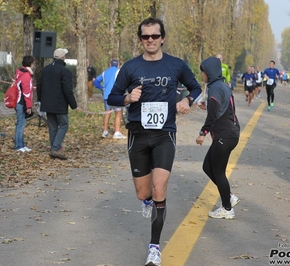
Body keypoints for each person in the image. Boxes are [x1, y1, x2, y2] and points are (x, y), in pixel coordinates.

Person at [107, 17, 202, 266]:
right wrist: (128, 98)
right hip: (137, 134)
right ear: (140, 39)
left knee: (160, 189)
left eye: (155, 36)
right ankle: (147, 200)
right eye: (145, 37)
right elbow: (112, 97)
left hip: (164, 134)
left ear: (162, 38)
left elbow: (196, 88)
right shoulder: (130, 68)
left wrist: (186, 101)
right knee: (143, 193)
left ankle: (154, 247)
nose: (150, 40)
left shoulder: (175, 65)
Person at [195, 56, 240, 220]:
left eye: (203, 72)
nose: (202, 75)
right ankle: (229, 197)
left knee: (218, 172)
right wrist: (206, 106)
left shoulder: (214, 87)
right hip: (229, 134)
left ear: (209, 72)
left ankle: (227, 208)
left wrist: (202, 133)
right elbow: (219, 108)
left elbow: (213, 115)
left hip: (224, 136)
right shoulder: (221, 85)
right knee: (208, 167)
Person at [36, 48, 79, 160]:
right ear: (63, 57)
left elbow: (39, 85)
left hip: (47, 104)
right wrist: (73, 104)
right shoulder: (65, 71)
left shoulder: (45, 70)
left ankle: (54, 149)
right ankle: (55, 147)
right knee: (64, 125)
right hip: (60, 104)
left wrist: (40, 100)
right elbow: (67, 90)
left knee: (53, 126)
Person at [94, 59, 127, 139]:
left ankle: (105, 132)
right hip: (115, 95)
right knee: (118, 113)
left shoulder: (105, 72)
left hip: (106, 96)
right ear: (118, 65)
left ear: (110, 64)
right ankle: (117, 132)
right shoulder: (119, 71)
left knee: (107, 113)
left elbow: (96, 82)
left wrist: (102, 88)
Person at [14, 55, 35, 152]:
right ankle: (18, 145)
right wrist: (29, 106)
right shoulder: (26, 76)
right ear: (30, 64)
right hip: (22, 103)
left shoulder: (21, 73)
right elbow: (26, 92)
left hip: (19, 102)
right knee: (20, 125)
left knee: (21, 124)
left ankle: (21, 144)